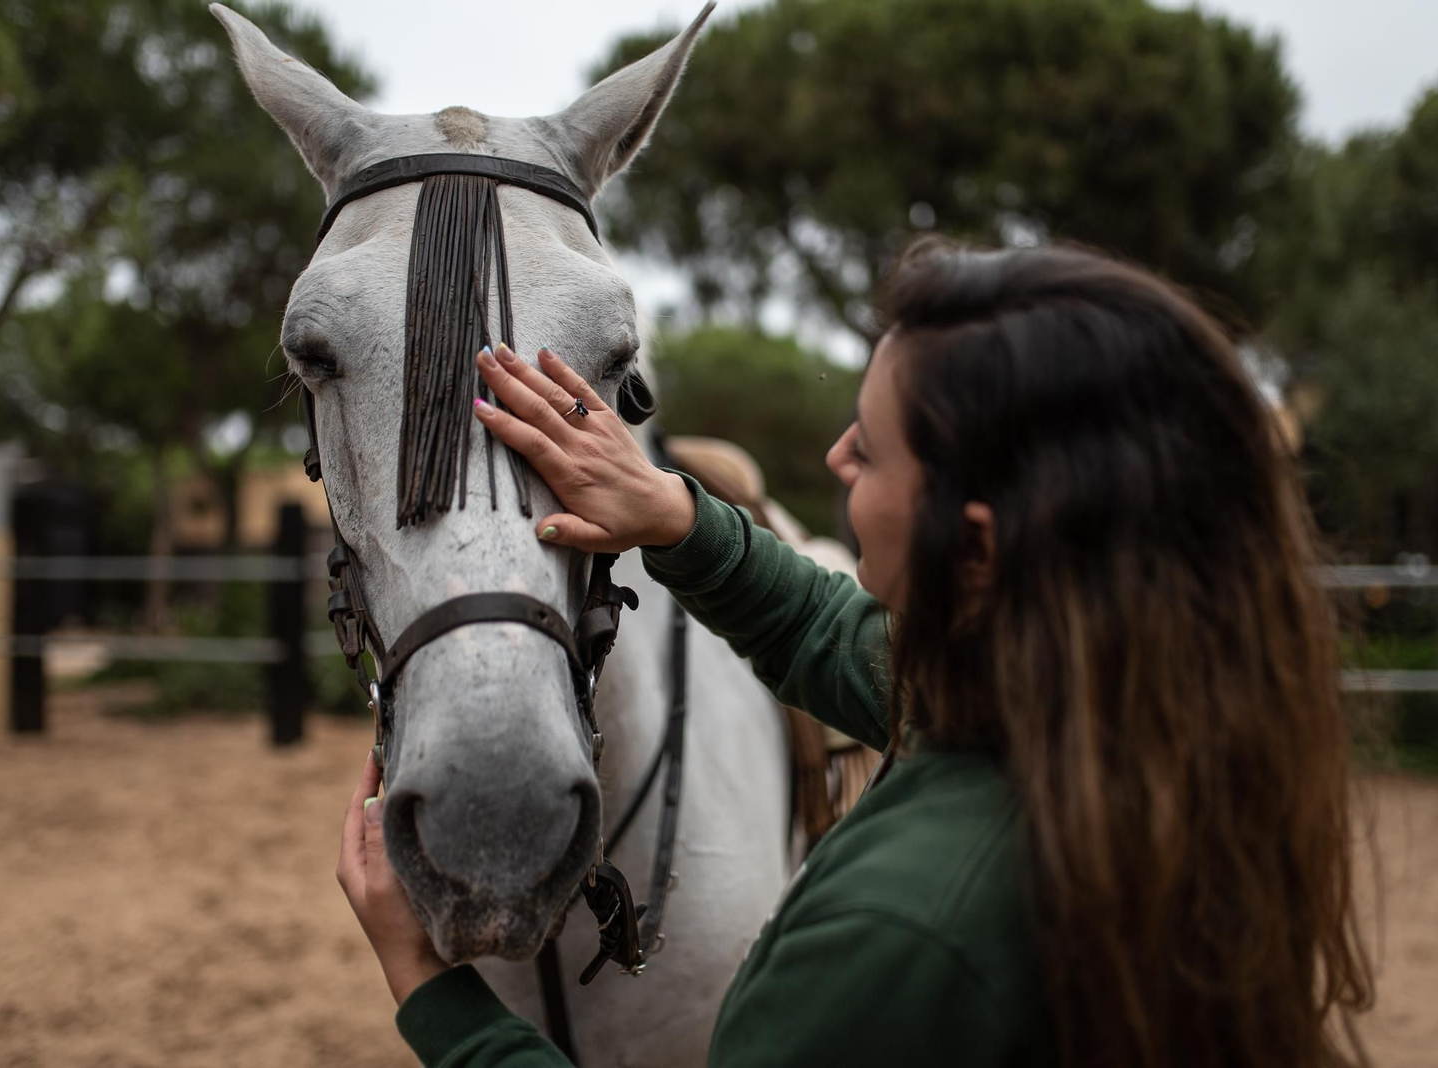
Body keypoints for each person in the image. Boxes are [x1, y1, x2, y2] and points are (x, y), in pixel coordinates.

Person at [335, 237, 1375, 1067]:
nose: (833, 458)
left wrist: (438, 1001)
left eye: (866, 449)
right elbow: (843, 644)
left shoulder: (901, 932)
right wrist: (678, 521)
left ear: (974, 547)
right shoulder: (1119, 716)